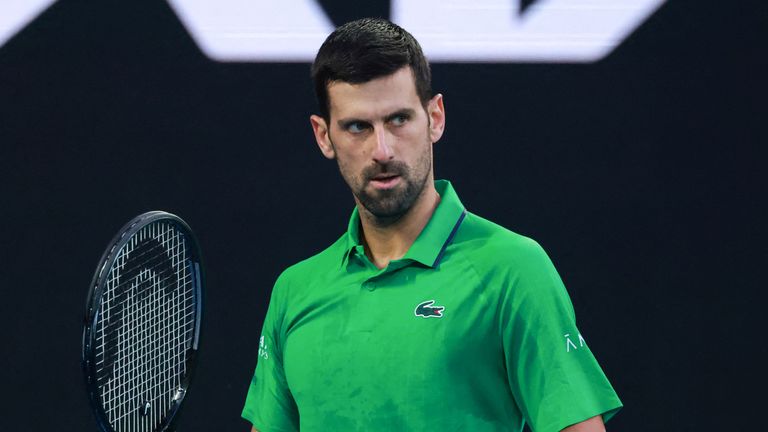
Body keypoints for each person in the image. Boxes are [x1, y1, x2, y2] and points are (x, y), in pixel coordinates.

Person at [242, 18, 622, 432]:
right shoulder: (294, 291)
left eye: (399, 120)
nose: (382, 149)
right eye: (358, 127)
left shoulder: (512, 268)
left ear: (435, 117)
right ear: (324, 136)